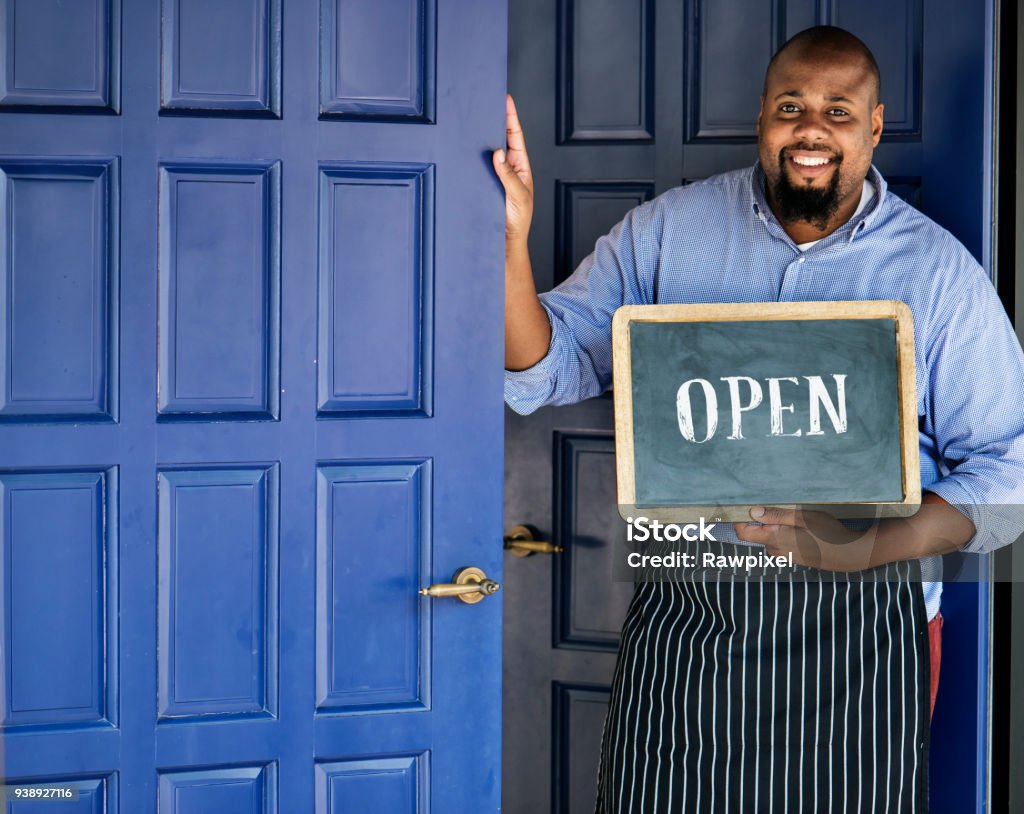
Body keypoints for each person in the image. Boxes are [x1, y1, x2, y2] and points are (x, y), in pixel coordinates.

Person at [494, 26, 1024, 813]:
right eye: (792, 106)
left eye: (840, 111)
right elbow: (544, 368)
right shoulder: (667, 232)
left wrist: (866, 546)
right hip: (692, 622)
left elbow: (1006, 476)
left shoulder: (938, 274)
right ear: (762, 119)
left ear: (874, 128)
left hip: (866, 633)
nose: (813, 129)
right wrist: (508, 243)